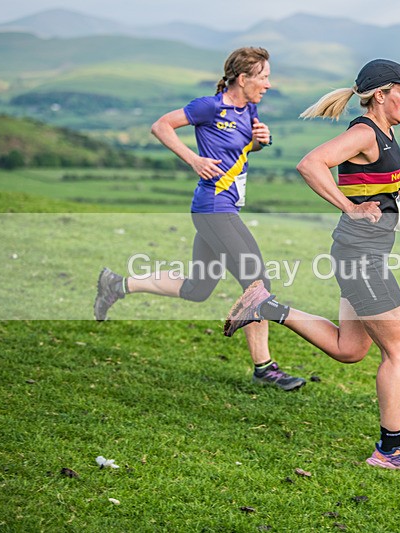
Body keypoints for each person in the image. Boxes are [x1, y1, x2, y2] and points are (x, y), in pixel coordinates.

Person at [223, 59, 400, 474]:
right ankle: (389, 450)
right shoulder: (363, 132)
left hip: (361, 253)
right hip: (363, 257)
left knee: (350, 348)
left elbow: (370, 181)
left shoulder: (384, 134)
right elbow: (310, 164)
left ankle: (267, 307)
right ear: (380, 95)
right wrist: (349, 208)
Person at [94, 47, 305, 392]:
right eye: (264, 76)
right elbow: (161, 126)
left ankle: (115, 285)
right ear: (243, 78)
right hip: (213, 207)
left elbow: (237, 151)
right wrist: (193, 159)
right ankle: (264, 367)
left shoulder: (248, 109)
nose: (269, 84)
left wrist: (258, 142)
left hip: (226, 207)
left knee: (197, 288)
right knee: (257, 283)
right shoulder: (210, 105)